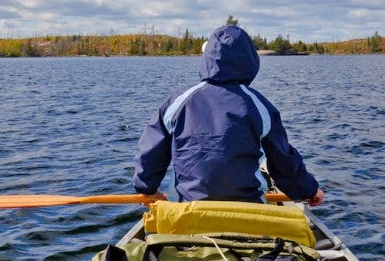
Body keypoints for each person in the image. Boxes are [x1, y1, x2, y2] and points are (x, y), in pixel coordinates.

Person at [133, 23, 325, 205]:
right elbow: (284, 162)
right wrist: (308, 190)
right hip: (246, 209)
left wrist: (147, 189)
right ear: (249, 60)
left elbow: (151, 152)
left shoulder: (178, 101)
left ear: (207, 59)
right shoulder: (260, 105)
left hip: (190, 209)